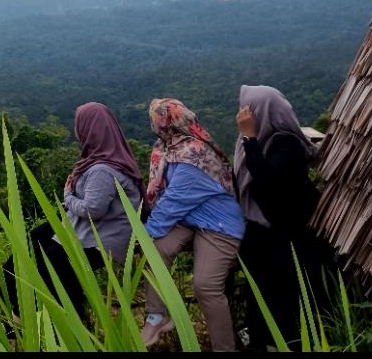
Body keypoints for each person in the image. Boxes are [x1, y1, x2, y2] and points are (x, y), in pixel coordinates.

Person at [0, 102, 144, 321]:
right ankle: (4, 294)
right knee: (35, 238)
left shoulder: (102, 169)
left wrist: (68, 197)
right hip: (93, 229)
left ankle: (55, 317)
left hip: (103, 237)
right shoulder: (103, 158)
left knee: (53, 256)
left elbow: (93, 210)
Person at [139, 98, 245, 352]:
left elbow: (172, 203)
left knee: (205, 286)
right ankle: (156, 315)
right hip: (191, 217)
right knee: (155, 249)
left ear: (165, 123)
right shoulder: (170, 146)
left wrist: (140, 235)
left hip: (218, 222)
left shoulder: (192, 156)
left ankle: (223, 348)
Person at [233, 85, 331, 350]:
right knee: (261, 295)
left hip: (282, 237)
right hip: (260, 233)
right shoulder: (254, 142)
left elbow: (267, 182)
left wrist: (250, 140)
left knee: (281, 298)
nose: (242, 115)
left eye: (248, 109)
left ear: (262, 112)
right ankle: (262, 340)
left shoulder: (286, 144)